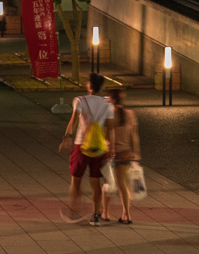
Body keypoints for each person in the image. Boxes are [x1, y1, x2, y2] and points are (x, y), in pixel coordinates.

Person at [58, 72, 114, 225]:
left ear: (89, 86)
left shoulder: (80, 101)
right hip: (99, 147)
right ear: (100, 88)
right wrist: (111, 148)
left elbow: (74, 120)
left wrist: (67, 137)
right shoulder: (108, 105)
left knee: (76, 180)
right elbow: (109, 129)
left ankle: (75, 210)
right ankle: (95, 215)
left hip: (81, 145)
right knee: (95, 182)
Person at [106, 88, 141, 225]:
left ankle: (105, 212)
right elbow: (134, 136)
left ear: (113, 100)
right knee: (123, 185)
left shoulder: (109, 114)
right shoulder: (130, 114)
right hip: (126, 153)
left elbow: (107, 134)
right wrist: (136, 154)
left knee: (108, 184)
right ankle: (126, 214)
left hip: (110, 153)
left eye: (108, 98)